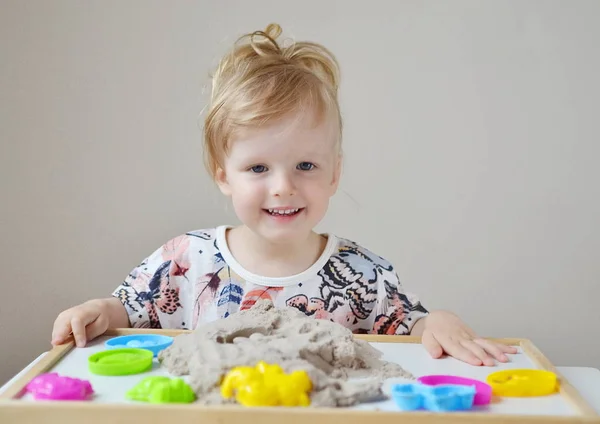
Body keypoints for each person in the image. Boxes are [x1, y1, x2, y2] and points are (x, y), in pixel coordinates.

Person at [51, 23, 516, 367]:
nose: (283, 186)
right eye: (257, 168)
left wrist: (439, 320)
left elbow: (413, 325)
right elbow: (129, 312)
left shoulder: (359, 273)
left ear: (335, 174)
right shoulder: (186, 259)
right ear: (223, 176)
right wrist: (97, 311)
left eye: (306, 166)